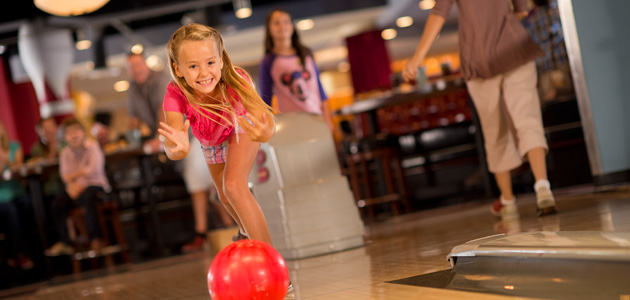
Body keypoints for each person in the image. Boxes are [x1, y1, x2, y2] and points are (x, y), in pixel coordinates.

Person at [402, 0, 558, 219]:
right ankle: (543, 187)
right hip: (516, 49)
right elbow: (522, 10)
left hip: (478, 58)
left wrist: (417, 58)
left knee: (494, 130)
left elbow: (439, 13)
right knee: (528, 119)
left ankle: (508, 201)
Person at [158, 23, 277, 248]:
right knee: (223, 195)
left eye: (210, 63)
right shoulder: (175, 94)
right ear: (178, 68)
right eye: (193, 66)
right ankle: (245, 231)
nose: (204, 73)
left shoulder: (237, 79)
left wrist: (265, 132)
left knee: (233, 186)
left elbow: (263, 119)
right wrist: (177, 149)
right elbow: (172, 141)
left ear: (221, 60)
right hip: (210, 140)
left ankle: (272, 261)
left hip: (242, 125)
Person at [125, 51, 235, 253]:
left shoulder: (161, 81)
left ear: (145, 65)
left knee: (201, 183)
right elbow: (133, 118)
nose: (136, 70)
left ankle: (209, 231)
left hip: (192, 135)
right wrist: (133, 138)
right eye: (131, 67)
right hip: (178, 140)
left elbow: (164, 111)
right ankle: (224, 227)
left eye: (138, 65)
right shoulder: (133, 89)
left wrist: (161, 138)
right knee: (206, 185)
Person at [259, 9, 336, 135]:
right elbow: (266, 100)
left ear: (292, 26)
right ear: (269, 29)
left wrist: (328, 119)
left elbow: (320, 90)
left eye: (286, 22)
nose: (282, 26)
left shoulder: (306, 54)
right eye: (276, 23)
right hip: (292, 122)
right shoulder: (268, 61)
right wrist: (269, 128)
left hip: (317, 116)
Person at [45, 117, 110, 255]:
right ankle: (66, 242)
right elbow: (65, 176)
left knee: (88, 197)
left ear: (83, 133)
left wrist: (76, 181)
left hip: (96, 186)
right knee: (57, 203)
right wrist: (74, 184)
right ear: (64, 137)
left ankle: (96, 239)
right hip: (75, 189)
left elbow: (94, 170)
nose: (73, 135)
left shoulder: (92, 146)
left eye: (76, 131)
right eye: (69, 133)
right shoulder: (65, 153)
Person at [523, 0, 575, 103]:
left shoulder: (532, 20)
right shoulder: (560, 11)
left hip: (545, 69)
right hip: (565, 64)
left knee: (550, 104)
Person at [0, 120, 34, 270]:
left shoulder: (15, 146)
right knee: (11, 211)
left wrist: (6, 158)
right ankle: (21, 254)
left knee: (28, 204)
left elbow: (19, 171)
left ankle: (29, 250)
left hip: (17, 190)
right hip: (2, 195)